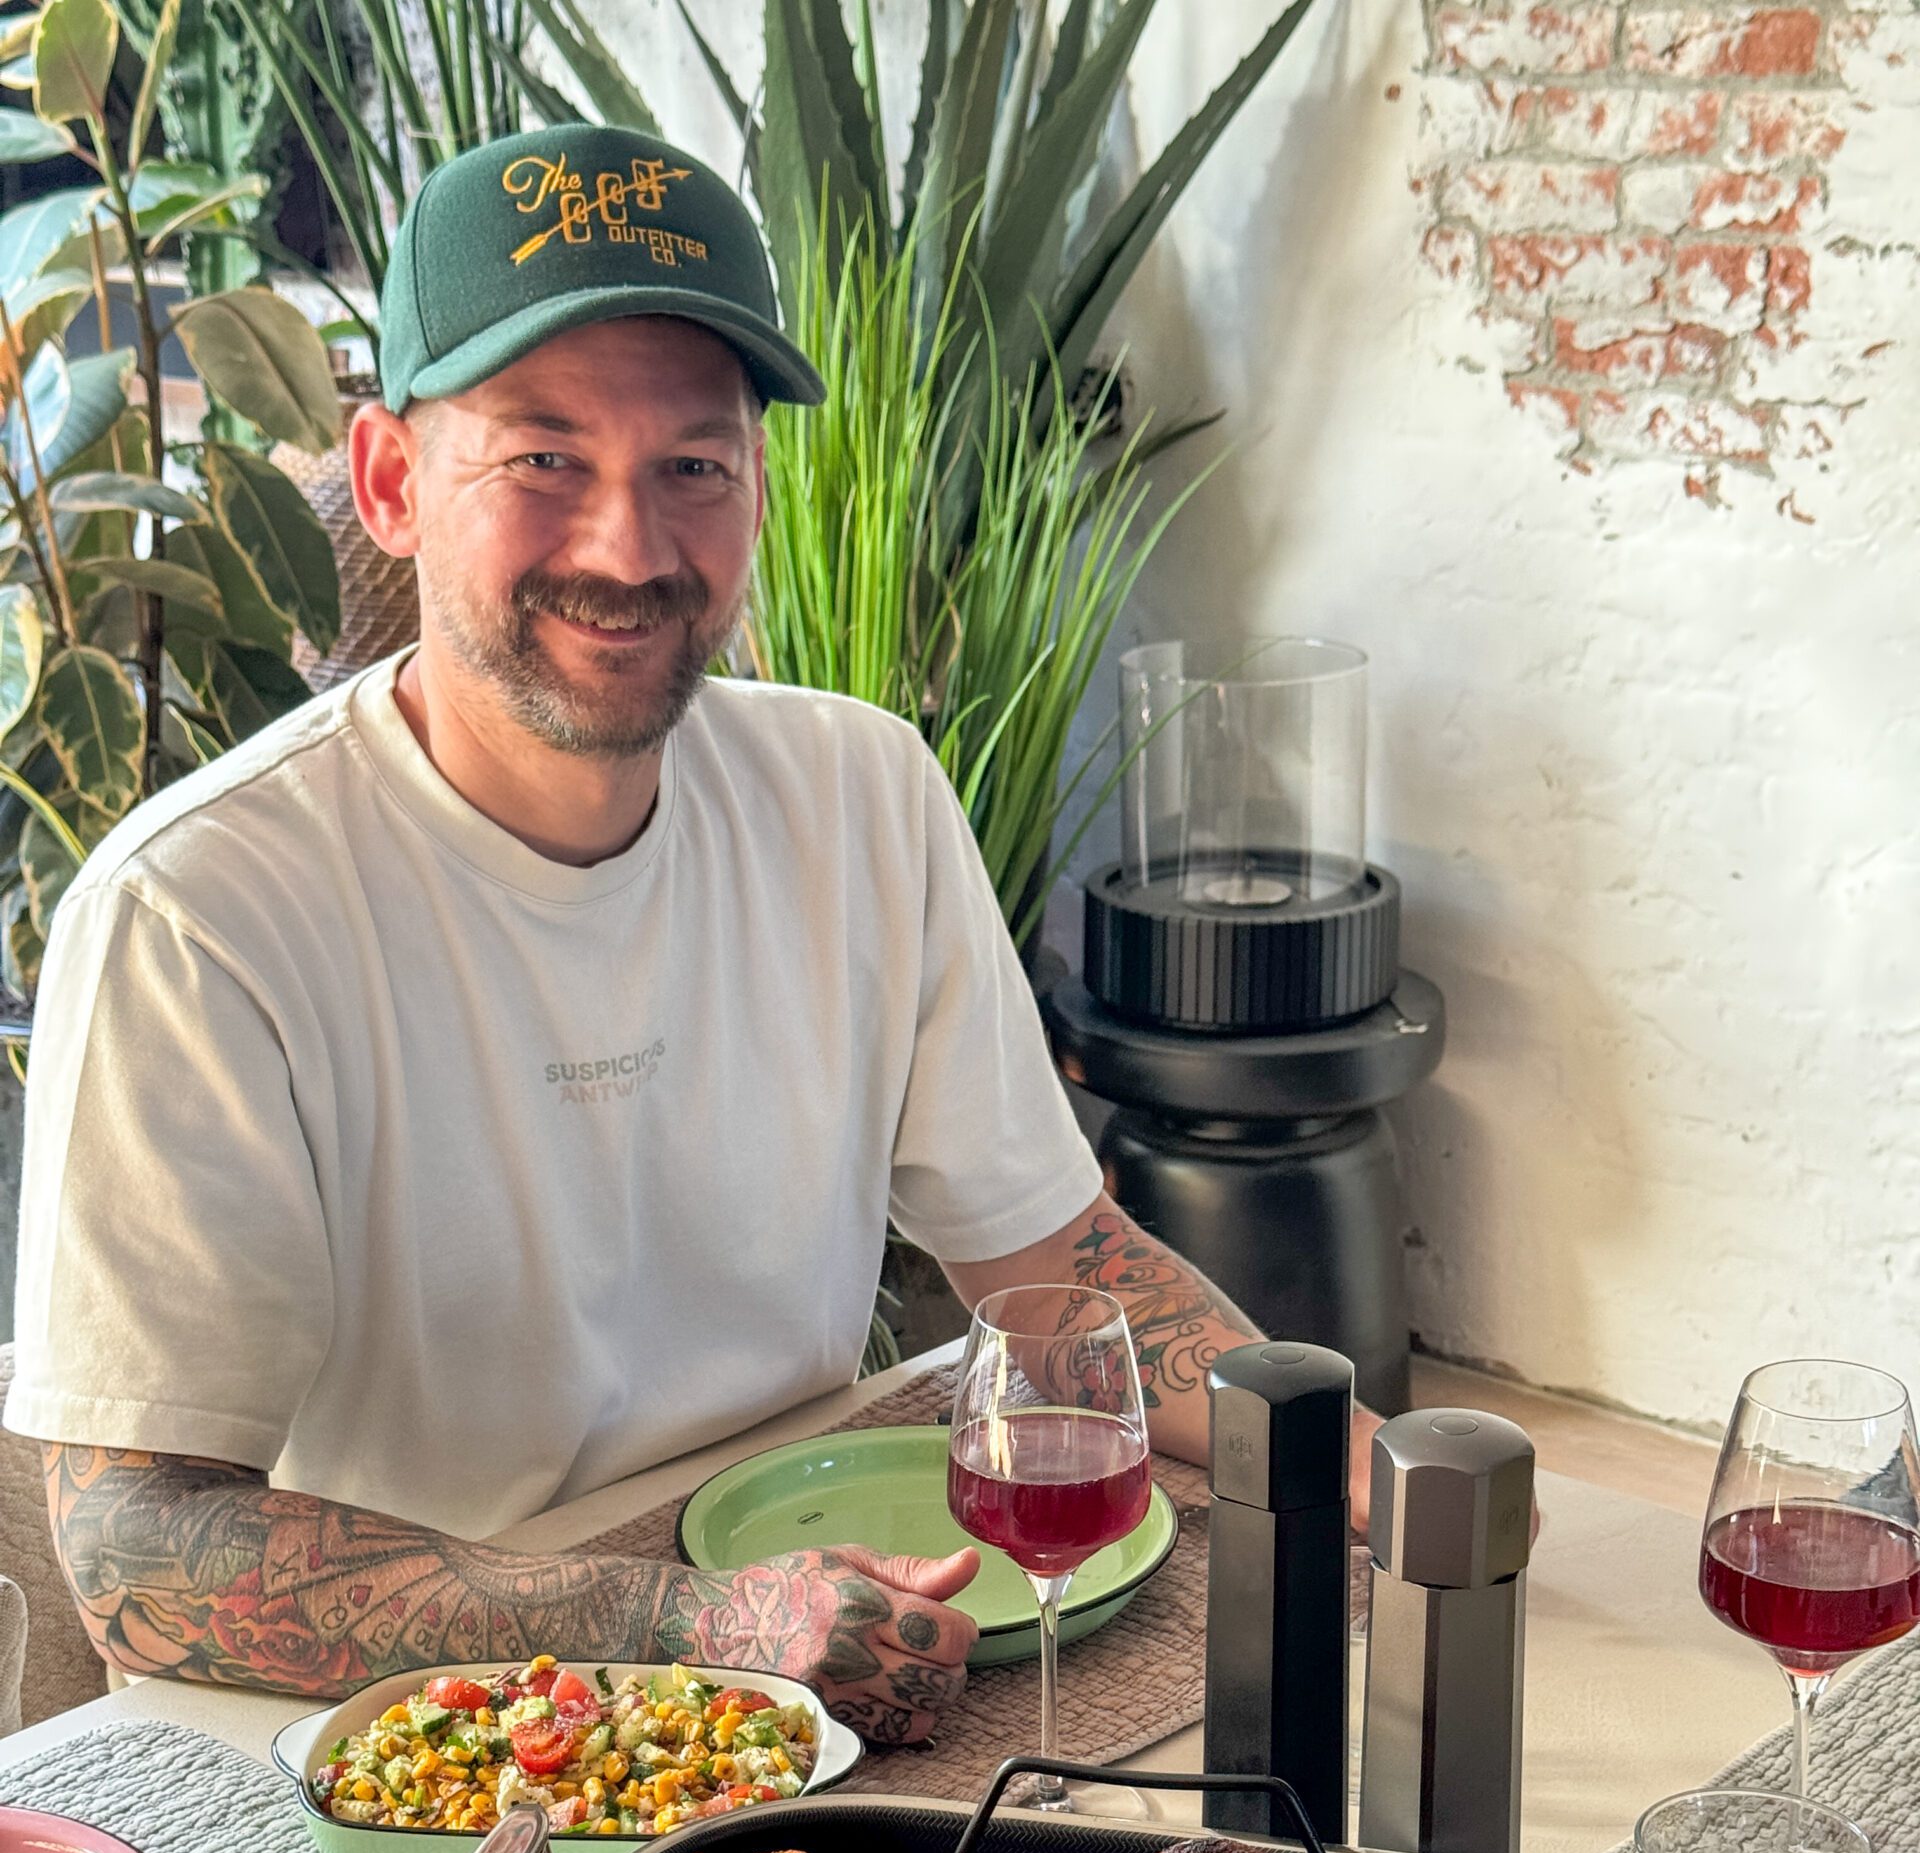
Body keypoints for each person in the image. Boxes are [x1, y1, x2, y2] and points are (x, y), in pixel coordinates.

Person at [5, 123, 1375, 1742]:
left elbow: (1055, 1264)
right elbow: (137, 1549)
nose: (630, 549)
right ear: (389, 484)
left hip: (823, 1648)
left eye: (693, 468)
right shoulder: (196, 912)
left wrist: (1346, 1458)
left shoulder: (862, 793)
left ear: (756, 487)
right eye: (543, 459)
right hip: (384, 1748)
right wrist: (684, 1625)